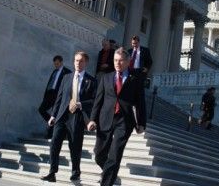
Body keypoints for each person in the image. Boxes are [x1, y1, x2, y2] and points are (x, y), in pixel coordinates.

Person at [87, 47, 147, 186]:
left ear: (127, 62)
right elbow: (98, 100)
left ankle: (107, 181)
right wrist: (92, 119)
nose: (117, 63)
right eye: (115, 60)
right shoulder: (106, 78)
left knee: (115, 155)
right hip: (105, 119)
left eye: (120, 61)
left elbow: (140, 103)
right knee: (99, 154)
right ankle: (110, 173)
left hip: (124, 121)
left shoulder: (135, 80)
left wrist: (141, 123)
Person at [40, 51, 97, 182]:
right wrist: (53, 115)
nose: (78, 63)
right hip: (62, 116)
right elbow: (59, 98)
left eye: (81, 61)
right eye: (76, 60)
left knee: (75, 146)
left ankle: (76, 172)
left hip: (76, 117)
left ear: (86, 63)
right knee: (54, 144)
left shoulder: (91, 81)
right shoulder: (66, 77)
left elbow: (94, 100)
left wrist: (80, 104)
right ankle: (52, 172)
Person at [38, 55, 71, 138]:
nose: (56, 65)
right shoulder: (54, 71)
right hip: (50, 94)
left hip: (58, 95)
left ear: (61, 62)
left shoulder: (67, 72)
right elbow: (50, 83)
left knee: (54, 113)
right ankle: (54, 123)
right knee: (41, 109)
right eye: (55, 64)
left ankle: (50, 133)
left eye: (57, 63)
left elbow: (67, 86)